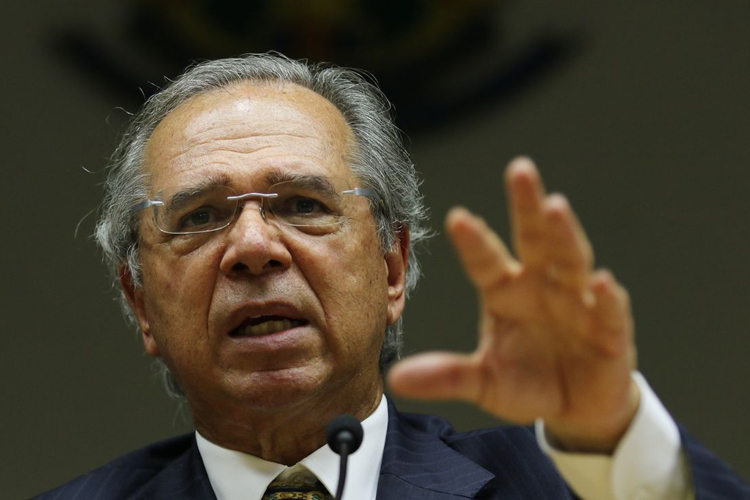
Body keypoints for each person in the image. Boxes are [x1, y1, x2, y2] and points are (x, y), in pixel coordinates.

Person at [35, 53, 749, 499]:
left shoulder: (562, 482)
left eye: (303, 205)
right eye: (199, 217)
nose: (252, 247)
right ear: (141, 303)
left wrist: (612, 431)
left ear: (393, 267)